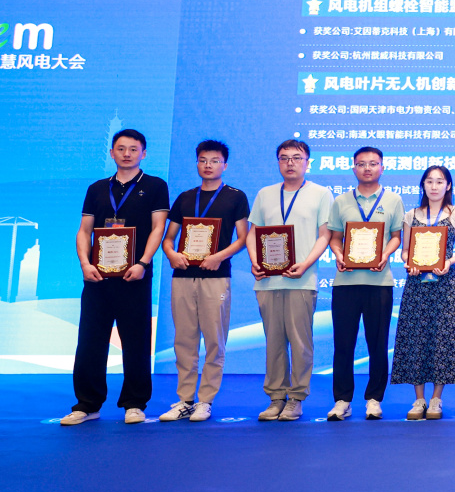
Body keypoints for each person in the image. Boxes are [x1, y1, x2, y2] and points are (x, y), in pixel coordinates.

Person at [62, 129, 170, 426]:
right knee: (90, 341)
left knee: (136, 340)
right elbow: (84, 230)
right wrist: (85, 264)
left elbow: (158, 228)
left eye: (133, 149)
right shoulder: (97, 188)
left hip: (134, 276)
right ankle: (87, 404)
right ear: (112, 153)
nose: (127, 154)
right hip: (96, 277)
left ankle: (134, 403)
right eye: (121, 148)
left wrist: (143, 263)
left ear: (143, 153)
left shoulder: (155, 185)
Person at [157, 140, 249, 422]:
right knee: (183, 340)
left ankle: (205, 401)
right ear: (197, 163)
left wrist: (218, 256)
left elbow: (243, 238)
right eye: (203, 160)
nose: (208, 165)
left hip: (216, 276)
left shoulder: (235, 197)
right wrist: (171, 254)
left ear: (225, 165)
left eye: (215, 160)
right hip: (183, 276)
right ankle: (184, 400)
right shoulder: (185, 197)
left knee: (214, 341)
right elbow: (168, 238)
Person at [247, 139, 333, 422]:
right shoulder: (265, 194)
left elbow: (325, 235)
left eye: (297, 158)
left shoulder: (321, 194)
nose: (290, 163)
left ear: (308, 162)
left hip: (301, 279)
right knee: (273, 343)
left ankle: (296, 398)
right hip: (267, 280)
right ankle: (275, 398)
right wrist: (255, 261)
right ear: (278, 163)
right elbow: (253, 232)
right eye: (284, 158)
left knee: (300, 342)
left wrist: (305, 264)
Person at [326, 147, 404, 421]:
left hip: (379, 282)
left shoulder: (393, 200)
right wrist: (338, 255)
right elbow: (335, 238)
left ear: (382, 167)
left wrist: (385, 255)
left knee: (378, 342)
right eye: (361, 164)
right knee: (343, 343)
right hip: (345, 282)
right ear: (353, 168)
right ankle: (342, 400)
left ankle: (374, 398)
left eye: (373, 164)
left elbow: (396, 236)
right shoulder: (341, 201)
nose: (367, 168)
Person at [392, 166, 455, 420]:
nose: (434, 186)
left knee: (443, 339)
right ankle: (419, 399)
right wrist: (409, 262)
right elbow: (405, 251)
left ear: (448, 185)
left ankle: (436, 399)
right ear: (423, 185)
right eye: (429, 181)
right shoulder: (411, 215)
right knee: (416, 338)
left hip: (445, 285)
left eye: (439, 181)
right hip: (417, 286)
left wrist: (449, 261)